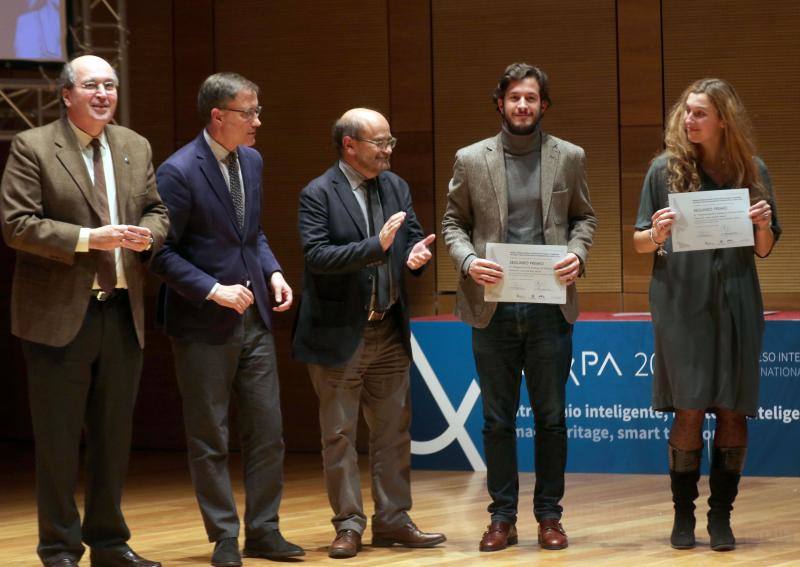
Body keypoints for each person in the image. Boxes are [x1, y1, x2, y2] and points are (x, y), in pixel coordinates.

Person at [0, 55, 168, 567]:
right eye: (91, 85)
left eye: (110, 85)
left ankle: (110, 544)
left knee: (114, 439)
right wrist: (88, 239)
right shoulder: (33, 146)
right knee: (57, 441)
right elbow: (17, 224)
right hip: (58, 319)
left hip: (121, 313)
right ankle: (58, 547)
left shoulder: (134, 146)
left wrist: (148, 237)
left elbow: (157, 210)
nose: (103, 94)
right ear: (66, 94)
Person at [442, 62, 597, 552]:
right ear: (501, 103)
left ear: (543, 105)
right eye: (514, 98)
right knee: (496, 420)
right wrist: (467, 262)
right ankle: (502, 518)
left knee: (552, 418)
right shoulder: (470, 159)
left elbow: (584, 218)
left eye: (531, 98)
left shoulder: (569, 157)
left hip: (550, 309)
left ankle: (550, 517)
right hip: (493, 311)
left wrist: (578, 253)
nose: (523, 106)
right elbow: (452, 223)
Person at [149, 72, 303, 566]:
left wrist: (273, 271)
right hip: (201, 324)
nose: (259, 120)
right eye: (249, 112)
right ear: (219, 117)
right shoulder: (177, 172)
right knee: (210, 436)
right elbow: (159, 253)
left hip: (254, 318)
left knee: (267, 431)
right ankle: (223, 538)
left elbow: (251, 234)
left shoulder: (251, 160)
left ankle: (264, 531)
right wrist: (213, 289)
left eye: (257, 110)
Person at [633, 78, 780, 552]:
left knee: (733, 408)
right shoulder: (663, 170)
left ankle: (721, 517)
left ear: (722, 119)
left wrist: (761, 225)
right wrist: (655, 233)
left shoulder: (752, 170)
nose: (689, 120)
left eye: (699, 113)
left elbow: (765, 248)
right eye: (687, 112)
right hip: (681, 301)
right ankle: (683, 516)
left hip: (737, 299)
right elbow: (639, 241)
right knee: (690, 407)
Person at [293, 108, 444, 559]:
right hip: (341, 334)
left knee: (394, 431)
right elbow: (317, 256)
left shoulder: (395, 186)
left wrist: (416, 256)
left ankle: (393, 520)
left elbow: (411, 238)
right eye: (379, 142)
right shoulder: (317, 193)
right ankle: (348, 524)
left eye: (390, 141)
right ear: (350, 145)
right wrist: (373, 248)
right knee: (338, 434)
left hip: (389, 329)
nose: (388, 150)